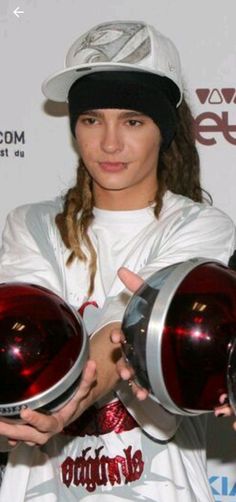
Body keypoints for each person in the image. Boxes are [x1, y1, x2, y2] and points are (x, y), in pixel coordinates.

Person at [0, 19, 235, 502]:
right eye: (91, 119)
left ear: (162, 130)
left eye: (132, 120)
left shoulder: (201, 226)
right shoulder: (33, 225)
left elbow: (125, 327)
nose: (109, 143)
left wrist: (73, 398)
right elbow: (23, 341)